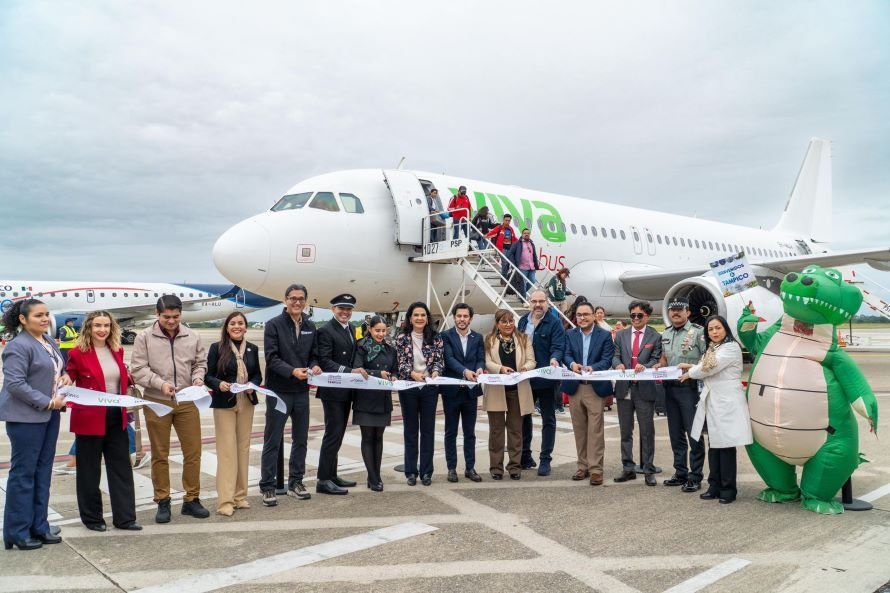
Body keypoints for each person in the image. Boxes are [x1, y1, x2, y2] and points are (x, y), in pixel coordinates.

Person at [131, 295, 209, 523]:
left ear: (181, 314)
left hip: (187, 401)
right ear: (157, 314)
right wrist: (160, 384)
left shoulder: (193, 336)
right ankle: (162, 500)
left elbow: (200, 363)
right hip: (157, 401)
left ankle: (191, 499)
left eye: (176, 317)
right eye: (167, 317)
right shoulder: (144, 337)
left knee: (193, 452)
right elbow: (138, 369)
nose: (172, 321)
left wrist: (198, 378)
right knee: (160, 454)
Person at [0, 299, 71, 550]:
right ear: (23, 319)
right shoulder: (18, 346)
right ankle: (17, 531)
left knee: (43, 472)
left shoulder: (48, 341)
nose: (45, 319)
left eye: (46, 314)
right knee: (24, 474)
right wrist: (48, 402)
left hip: (49, 416)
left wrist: (65, 376)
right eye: (38, 315)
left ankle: (39, 526)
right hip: (26, 418)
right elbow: (15, 384)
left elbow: (56, 369)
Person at [66, 311, 140, 531]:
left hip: (117, 414)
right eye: (97, 325)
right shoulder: (77, 353)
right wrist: (65, 379)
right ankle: (92, 518)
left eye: (106, 325)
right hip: (90, 417)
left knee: (121, 467)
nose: (102, 330)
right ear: (89, 327)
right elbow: (70, 375)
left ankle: (125, 518)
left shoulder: (116, 349)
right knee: (89, 470)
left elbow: (118, 379)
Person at [259, 284, 322, 507]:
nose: (297, 302)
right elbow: (272, 358)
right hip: (279, 391)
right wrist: (292, 371)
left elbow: (314, 355)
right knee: (273, 439)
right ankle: (268, 486)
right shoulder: (273, 325)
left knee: (301, 439)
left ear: (306, 301)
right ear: (285, 300)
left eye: (301, 299)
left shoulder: (310, 326)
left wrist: (314, 366)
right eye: (293, 298)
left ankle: (296, 482)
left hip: (301, 392)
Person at [680, 315, 752, 504]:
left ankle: (728, 489)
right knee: (715, 445)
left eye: (718, 328)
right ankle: (714, 486)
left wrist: (690, 373)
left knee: (726, 445)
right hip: (714, 400)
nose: (714, 332)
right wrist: (693, 367)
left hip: (726, 401)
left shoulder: (731, 347)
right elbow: (705, 365)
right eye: (710, 329)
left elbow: (709, 368)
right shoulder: (713, 348)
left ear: (725, 328)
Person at [204, 311, 261, 516]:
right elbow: (208, 376)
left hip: (246, 401)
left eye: (240, 323)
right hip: (224, 403)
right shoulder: (217, 348)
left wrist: (252, 385)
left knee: (243, 449)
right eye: (233, 323)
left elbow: (257, 375)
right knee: (227, 451)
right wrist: (219, 384)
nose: (237, 326)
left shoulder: (252, 349)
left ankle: (240, 496)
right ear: (227, 328)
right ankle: (225, 501)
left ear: (246, 327)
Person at [561, 302, 615, 486]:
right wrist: (571, 364)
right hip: (575, 387)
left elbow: (607, 359)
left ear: (593, 316)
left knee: (595, 431)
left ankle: (596, 469)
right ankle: (582, 466)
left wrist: (594, 367)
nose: (582, 318)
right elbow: (566, 354)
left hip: (594, 387)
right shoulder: (570, 334)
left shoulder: (605, 335)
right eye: (579, 315)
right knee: (580, 430)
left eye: (586, 314)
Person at [656, 297, 707, 492]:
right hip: (670, 388)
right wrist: (659, 365)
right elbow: (664, 358)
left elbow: (708, 360)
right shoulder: (666, 333)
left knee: (694, 433)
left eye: (680, 309)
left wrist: (691, 368)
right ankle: (680, 472)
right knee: (675, 433)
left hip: (690, 388)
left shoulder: (698, 332)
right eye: (672, 309)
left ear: (688, 312)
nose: (675, 312)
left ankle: (695, 476)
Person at [316, 293, 364, 495]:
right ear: (333, 309)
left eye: (348, 309)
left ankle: (332, 474)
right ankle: (323, 479)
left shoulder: (352, 329)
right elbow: (325, 361)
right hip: (333, 390)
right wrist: (350, 371)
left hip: (346, 390)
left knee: (339, 433)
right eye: (341, 308)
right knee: (332, 434)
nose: (345, 312)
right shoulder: (325, 331)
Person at [612, 300, 663, 486]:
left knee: (647, 431)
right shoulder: (621, 335)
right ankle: (628, 468)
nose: (635, 318)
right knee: (625, 431)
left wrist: (646, 366)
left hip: (644, 389)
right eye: (632, 315)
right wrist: (617, 364)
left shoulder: (655, 336)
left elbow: (656, 358)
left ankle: (648, 469)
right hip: (624, 388)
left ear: (647, 316)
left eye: (639, 315)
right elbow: (615, 355)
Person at [517, 289, 567, 476]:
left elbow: (558, 346)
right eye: (534, 301)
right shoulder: (523, 321)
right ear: (529, 303)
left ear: (547, 303)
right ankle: (525, 455)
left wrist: (555, 359)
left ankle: (545, 459)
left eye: (541, 301)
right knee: (524, 417)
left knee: (548, 419)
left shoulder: (554, 323)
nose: (537, 305)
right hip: (526, 378)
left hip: (546, 379)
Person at [483, 309, 536, 480]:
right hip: (496, 390)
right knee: (496, 432)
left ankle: (514, 467)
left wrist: (525, 368)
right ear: (497, 324)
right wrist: (500, 369)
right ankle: (496, 468)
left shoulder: (524, 339)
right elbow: (487, 361)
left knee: (515, 431)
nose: (508, 324)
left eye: (511, 321)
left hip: (517, 390)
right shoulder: (489, 339)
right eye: (504, 321)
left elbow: (532, 360)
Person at [395, 302, 444, 486]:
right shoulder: (402, 338)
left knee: (428, 431)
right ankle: (410, 472)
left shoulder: (436, 338)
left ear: (427, 318)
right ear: (410, 318)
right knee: (410, 430)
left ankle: (426, 472)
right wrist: (412, 374)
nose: (419, 318)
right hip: (409, 387)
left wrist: (436, 371)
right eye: (416, 315)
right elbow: (400, 363)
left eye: (423, 315)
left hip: (429, 388)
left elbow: (439, 360)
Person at [441, 303, 485, 483]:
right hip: (452, 392)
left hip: (470, 392)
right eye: (459, 316)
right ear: (454, 317)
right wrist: (465, 371)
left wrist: (480, 368)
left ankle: (470, 468)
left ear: (470, 319)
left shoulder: (478, 337)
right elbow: (449, 359)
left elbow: (480, 358)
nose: (462, 319)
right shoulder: (445, 336)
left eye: (465, 316)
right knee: (451, 432)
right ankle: (451, 468)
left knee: (470, 432)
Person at [352, 315, 397, 491]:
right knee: (368, 437)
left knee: (379, 437)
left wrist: (394, 376)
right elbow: (358, 369)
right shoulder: (361, 346)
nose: (380, 334)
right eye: (377, 330)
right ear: (370, 329)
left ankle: (376, 475)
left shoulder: (390, 349)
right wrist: (378, 374)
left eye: (383, 331)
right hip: (365, 398)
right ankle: (372, 477)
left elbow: (394, 370)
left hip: (383, 399)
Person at [506, 228, 541, 294]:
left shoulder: (531, 243)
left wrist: (536, 265)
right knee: (523, 284)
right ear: (522, 234)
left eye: (528, 233)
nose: (526, 234)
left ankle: (521, 293)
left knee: (533, 281)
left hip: (531, 267)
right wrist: (514, 264)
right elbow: (510, 253)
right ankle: (523, 297)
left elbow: (534, 255)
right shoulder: (517, 243)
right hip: (522, 267)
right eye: (525, 233)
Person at [485, 214, 518, 280]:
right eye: (506, 220)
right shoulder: (499, 227)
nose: (507, 222)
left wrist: (520, 241)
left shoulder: (511, 229)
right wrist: (486, 235)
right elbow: (493, 232)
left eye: (509, 221)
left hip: (510, 249)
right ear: (503, 220)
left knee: (510, 264)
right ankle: (503, 279)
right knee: (505, 263)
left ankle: (506, 277)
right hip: (502, 249)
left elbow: (514, 238)